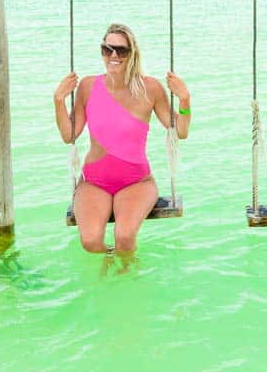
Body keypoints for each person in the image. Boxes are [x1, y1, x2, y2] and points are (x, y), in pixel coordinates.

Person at [54, 23, 191, 256]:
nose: (113, 55)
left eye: (121, 50)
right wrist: (58, 100)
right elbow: (69, 135)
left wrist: (185, 99)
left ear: (132, 53)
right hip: (94, 182)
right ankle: (109, 270)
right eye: (107, 49)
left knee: (125, 238)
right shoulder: (88, 86)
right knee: (90, 242)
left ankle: (128, 275)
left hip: (136, 182)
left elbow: (180, 131)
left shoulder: (151, 88)